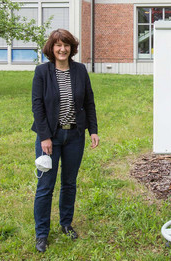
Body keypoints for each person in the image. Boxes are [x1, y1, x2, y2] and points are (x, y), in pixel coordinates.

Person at [31, 29, 99, 253]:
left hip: (75, 137)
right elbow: (38, 106)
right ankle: (42, 234)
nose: (63, 49)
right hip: (50, 137)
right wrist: (45, 137)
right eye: (58, 45)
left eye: (67, 45)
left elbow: (89, 101)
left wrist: (93, 131)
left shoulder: (79, 70)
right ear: (51, 48)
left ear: (72, 48)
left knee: (69, 183)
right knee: (45, 186)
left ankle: (65, 224)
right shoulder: (42, 72)